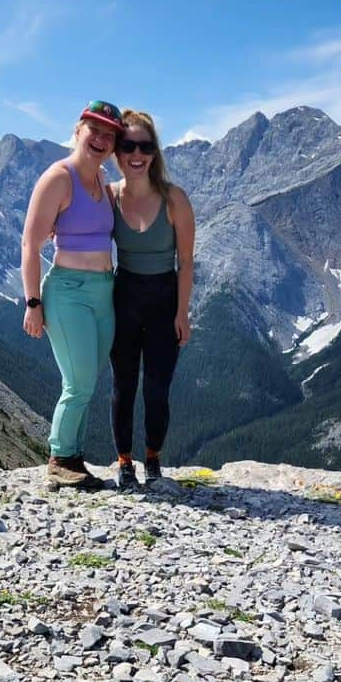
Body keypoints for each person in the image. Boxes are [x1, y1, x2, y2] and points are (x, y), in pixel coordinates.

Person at [21, 100, 125, 490]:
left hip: (103, 291)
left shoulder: (102, 183)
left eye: (109, 135)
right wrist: (33, 302)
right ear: (78, 130)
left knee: (88, 379)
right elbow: (30, 245)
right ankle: (59, 458)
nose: (100, 140)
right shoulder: (57, 178)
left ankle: (74, 459)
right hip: (67, 292)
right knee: (78, 381)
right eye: (94, 130)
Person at [109, 109, 195, 487]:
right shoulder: (109, 196)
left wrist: (182, 313)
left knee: (157, 389)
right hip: (123, 296)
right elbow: (79, 226)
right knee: (122, 385)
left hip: (163, 298)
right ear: (117, 151)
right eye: (128, 145)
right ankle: (124, 461)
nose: (137, 153)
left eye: (145, 146)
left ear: (155, 152)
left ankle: (153, 458)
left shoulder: (174, 199)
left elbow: (187, 263)